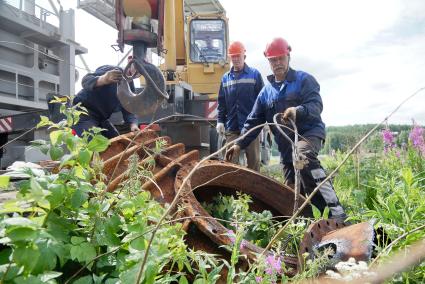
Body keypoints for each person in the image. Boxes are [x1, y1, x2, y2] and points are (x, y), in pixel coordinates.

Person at [225, 37, 346, 220]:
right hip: (286, 148)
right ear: (268, 61)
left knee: (303, 156)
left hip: (309, 134)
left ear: (288, 56)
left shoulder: (304, 80)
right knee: (289, 195)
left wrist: (298, 111)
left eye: (281, 58)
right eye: (273, 60)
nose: (278, 63)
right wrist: (239, 144)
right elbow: (253, 121)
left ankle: (334, 213)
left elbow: (316, 105)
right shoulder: (266, 93)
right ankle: (305, 222)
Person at [217, 41, 264, 171]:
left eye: (238, 56)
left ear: (244, 56)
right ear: (230, 58)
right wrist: (220, 121)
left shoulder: (255, 75)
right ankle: (232, 190)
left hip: (251, 129)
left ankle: (253, 190)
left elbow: (263, 101)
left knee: (253, 164)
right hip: (232, 127)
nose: (236, 59)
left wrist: (264, 123)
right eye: (233, 56)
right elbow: (222, 102)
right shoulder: (225, 78)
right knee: (230, 163)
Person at [72, 65, 139, 139]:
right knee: (95, 143)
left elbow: (128, 109)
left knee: (118, 142)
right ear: (130, 61)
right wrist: (103, 79)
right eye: (137, 67)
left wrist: (133, 124)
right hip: (82, 112)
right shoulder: (112, 71)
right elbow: (85, 80)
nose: (137, 72)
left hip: (100, 118)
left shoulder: (130, 87)